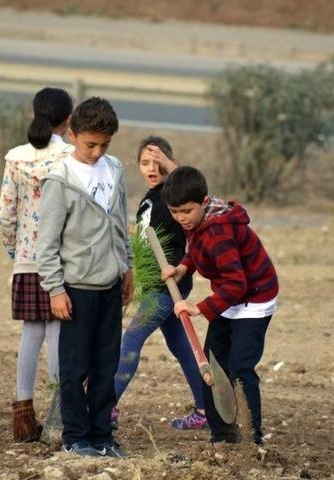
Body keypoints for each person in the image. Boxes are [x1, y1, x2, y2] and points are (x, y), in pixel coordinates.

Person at [36, 97, 133, 457]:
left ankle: (102, 435)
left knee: (106, 366)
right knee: (75, 369)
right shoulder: (59, 181)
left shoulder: (115, 169)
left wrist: (127, 267)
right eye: (90, 144)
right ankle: (75, 437)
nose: (96, 152)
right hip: (76, 290)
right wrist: (55, 289)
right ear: (72, 135)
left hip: (110, 286)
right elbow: (46, 244)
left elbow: (121, 222)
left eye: (104, 145)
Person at [160, 165, 279, 445]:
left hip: (254, 298)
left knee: (239, 369)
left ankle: (252, 437)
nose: (181, 219)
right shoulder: (199, 222)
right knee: (213, 367)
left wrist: (198, 308)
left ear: (204, 202)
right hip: (229, 297)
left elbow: (237, 283)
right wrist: (182, 269)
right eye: (174, 212)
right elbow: (197, 251)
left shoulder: (219, 230)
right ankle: (222, 435)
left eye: (186, 212)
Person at [111, 137, 206, 431]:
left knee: (130, 341)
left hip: (168, 287)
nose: (152, 168)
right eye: (145, 162)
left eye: (158, 161)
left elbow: (191, 187)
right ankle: (206, 409)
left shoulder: (172, 194)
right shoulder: (150, 198)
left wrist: (171, 166)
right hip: (153, 285)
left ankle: (103, 407)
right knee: (181, 344)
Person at [0, 87, 74, 443]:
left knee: (31, 333)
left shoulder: (16, 158)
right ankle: (59, 417)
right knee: (59, 334)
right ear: (68, 120)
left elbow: (5, 214)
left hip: (28, 261)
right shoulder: (71, 156)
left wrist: (16, 254)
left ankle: (23, 417)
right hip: (61, 259)